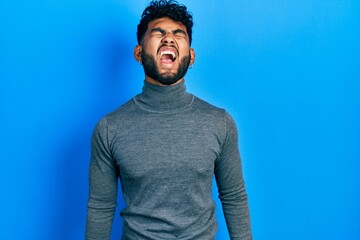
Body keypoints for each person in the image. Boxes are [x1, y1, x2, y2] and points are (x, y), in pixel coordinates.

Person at [86, 0, 252, 239]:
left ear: (191, 56)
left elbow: (234, 197)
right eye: (158, 32)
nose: (168, 38)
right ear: (138, 53)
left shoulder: (220, 123)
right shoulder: (109, 128)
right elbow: (100, 206)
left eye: (178, 34)